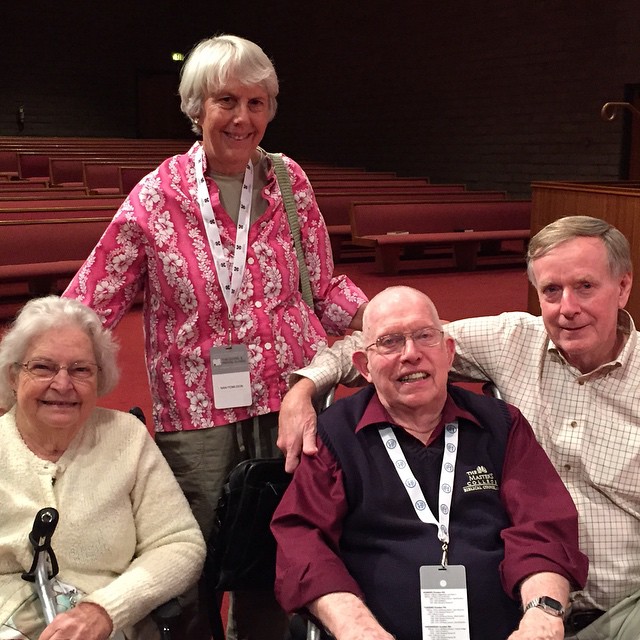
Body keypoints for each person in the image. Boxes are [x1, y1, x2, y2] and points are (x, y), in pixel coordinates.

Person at [63, 34, 367, 640]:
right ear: (196, 107)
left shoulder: (289, 181)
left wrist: (385, 323)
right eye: (226, 100)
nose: (242, 118)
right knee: (191, 552)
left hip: (290, 397)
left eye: (257, 102)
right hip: (198, 408)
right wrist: (33, 366)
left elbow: (322, 287)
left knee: (277, 544)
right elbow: (93, 299)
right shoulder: (157, 195)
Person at [278, 214, 640, 639]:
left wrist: (542, 613)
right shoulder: (337, 435)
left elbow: (540, 525)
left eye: (585, 286)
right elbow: (302, 539)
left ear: (450, 353)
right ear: (365, 365)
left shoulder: (499, 425)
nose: (568, 308)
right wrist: (302, 389)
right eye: (551, 291)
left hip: (614, 605)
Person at [0, 296, 205, 640]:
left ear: (100, 376)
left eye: (80, 370)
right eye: (43, 367)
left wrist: (105, 610)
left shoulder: (126, 437)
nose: (62, 384)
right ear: (13, 375)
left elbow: (180, 543)